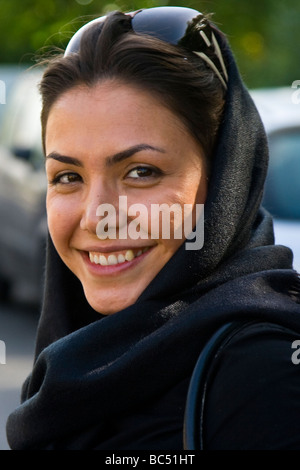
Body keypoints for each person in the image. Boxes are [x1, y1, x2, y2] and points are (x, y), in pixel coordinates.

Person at [6, 6, 300, 450]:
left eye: (141, 171)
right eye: (68, 177)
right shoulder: (75, 364)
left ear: (226, 178)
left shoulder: (266, 379)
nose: (95, 216)